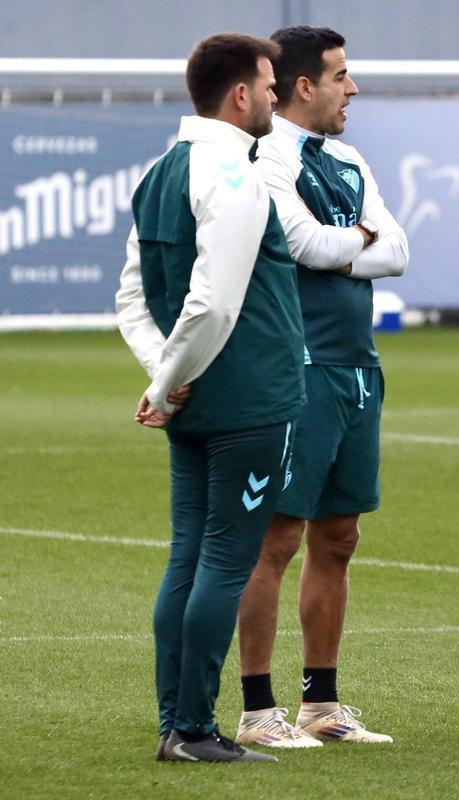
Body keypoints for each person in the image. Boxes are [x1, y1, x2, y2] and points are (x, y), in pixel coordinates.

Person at [114, 32, 305, 763]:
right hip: (249, 399)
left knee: (188, 558)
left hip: (193, 401)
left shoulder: (161, 171)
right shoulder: (236, 174)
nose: (274, 95)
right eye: (268, 84)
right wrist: (167, 381)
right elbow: (215, 303)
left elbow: (131, 297)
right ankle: (194, 730)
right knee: (225, 562)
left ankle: (176, 723)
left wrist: (164, 380)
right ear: (241, 95)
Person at [234, 25, 408, 748]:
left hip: (357, 370)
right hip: (297, 371)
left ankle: (321, 705)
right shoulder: (265, 155)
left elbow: (398, 250)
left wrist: (356, 249)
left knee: (340, 536)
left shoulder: (347, 156)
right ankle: (255, 712)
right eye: (342, 75)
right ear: (304, 86)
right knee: (276, 540)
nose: (353, 88)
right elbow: (300, 243)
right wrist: (358, 244)